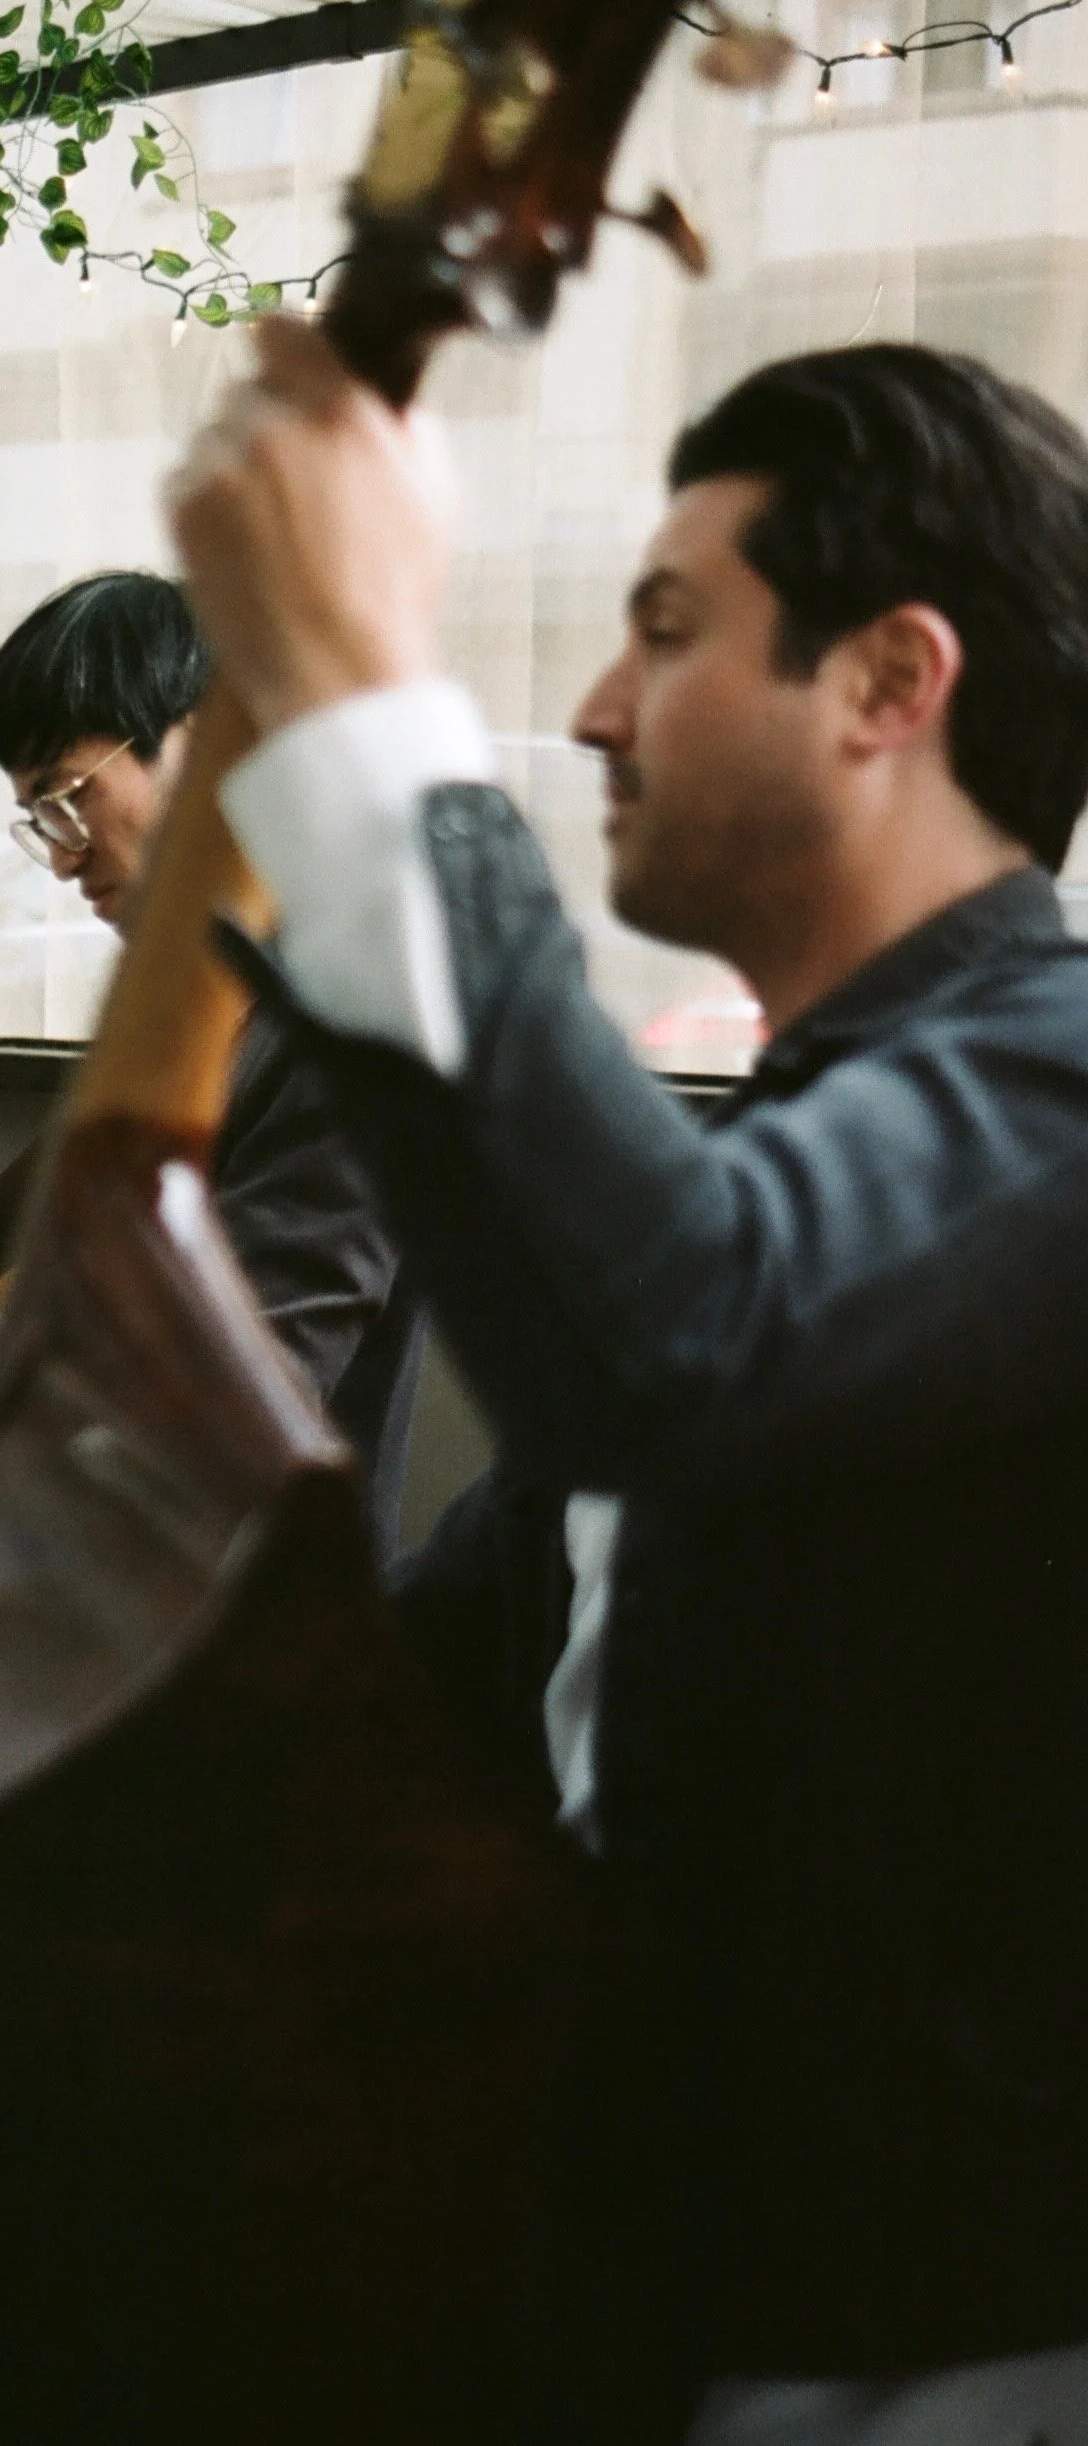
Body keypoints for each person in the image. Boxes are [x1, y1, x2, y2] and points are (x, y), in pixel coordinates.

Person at [169, 326, 1088, 2446]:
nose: (591, 709)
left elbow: (674, 1339)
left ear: (889, 684)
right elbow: (443, 1662)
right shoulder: (794, 1147)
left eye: (665, 630)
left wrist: (361, 692)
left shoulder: (1056, 1088)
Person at [0, 569, 425, 1545]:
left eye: (66, 797)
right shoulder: (191, 1008)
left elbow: (250, 1418)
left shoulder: (351, 1028)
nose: (59, 857)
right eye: (35, 823)